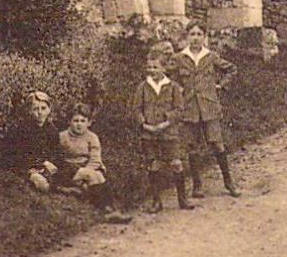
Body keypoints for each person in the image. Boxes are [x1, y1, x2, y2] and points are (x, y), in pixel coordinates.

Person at [167, 22, 240, 198]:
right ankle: (197, 185)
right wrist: (178, 89)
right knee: (192, 146)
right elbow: (168, 78)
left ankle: (229, 182)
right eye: (192, 34)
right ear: (187, 37)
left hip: (209, 107)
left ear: (204, 37)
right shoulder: (179, 58)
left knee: (217, 143)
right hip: (190, 107)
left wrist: (221, 86)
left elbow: (231, 69)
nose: (195, 38)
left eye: (199, 34)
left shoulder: (211, 56)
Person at [133, 52, 193, 212]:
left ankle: (182, 199)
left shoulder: (173, 87)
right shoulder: (143, 87)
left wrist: (166, 122)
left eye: (155, 67)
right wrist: (144, 124)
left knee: (176, 163)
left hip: (169, 133)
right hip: (149, 134)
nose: (152, 70)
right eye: (149, 67)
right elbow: (136, 109)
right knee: (153, 165)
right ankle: (156, 201)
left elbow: (180, 110)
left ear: (164, 68)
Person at [54, 104, 133, 223]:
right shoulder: (62, 137)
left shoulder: (92, 137)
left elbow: (95, 159)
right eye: (75, 120)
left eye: (82, 121)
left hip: (87, 169)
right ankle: (109, 210)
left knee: (96, 176)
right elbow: (57, 157)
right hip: (69, 170)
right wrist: (82, 173)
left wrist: (86, 172)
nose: (79, 124)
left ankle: (107, 208)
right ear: (69, 122)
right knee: (95, 177)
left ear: (89, 123)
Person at [9, 90, 61, 192]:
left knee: (64, 176)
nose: (40, 112)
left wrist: (51, 163)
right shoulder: (23, 130)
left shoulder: (52, 130)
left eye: (43, 108)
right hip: (28, 167)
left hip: (46, 167)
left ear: (49, 109)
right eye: (35, 109)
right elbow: (21, 155)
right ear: (29, 111)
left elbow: (56, 151)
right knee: (42, 184)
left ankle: (64, 188)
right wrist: (42, 163)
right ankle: (56, 189)